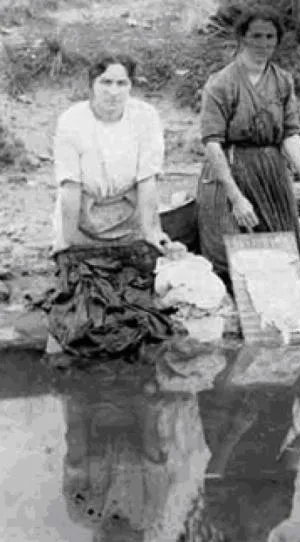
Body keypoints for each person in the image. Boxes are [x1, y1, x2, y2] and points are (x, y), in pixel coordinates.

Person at [42, 53, 173, 360]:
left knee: (135, 289)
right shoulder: (72, 121)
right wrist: (72, 239)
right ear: (92, 84)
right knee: (81, 293)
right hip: (83, 212)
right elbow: (70, 187)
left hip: (128, 213)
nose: (114, 91)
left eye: (121, 83)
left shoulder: (146, 116)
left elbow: (148, 180)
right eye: (106, 82)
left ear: (131, 86)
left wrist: (151, 231)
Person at [196, 6, 300, 287]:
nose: (263, 44)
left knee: (284, 253)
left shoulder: (282, 81)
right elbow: (213, 145)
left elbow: (290, 135)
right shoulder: (221, 84)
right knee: (228, 258)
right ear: (242, 38)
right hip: (229, 169)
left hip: (269, 170)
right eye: (256, 36)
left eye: (270, 37)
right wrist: (236, 197)